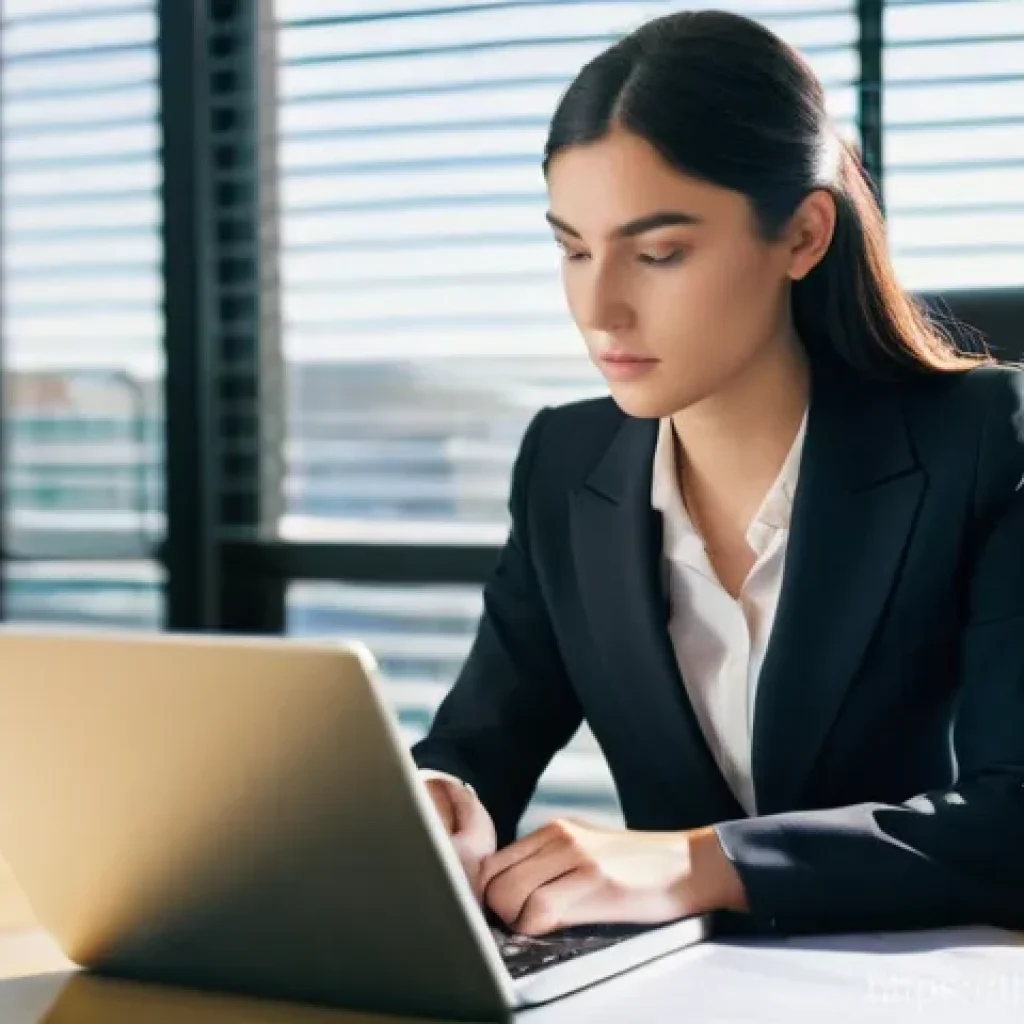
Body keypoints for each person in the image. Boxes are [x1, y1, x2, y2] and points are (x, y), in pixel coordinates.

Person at [411, 9, 1024, 939]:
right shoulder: (563, 464)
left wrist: (700, 863)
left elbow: (1013, 820)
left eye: (659, 253)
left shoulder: (985, 442)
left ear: (805, 236)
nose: (599, 308)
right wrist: (439, 801)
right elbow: (478, 742)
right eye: (573, 249)